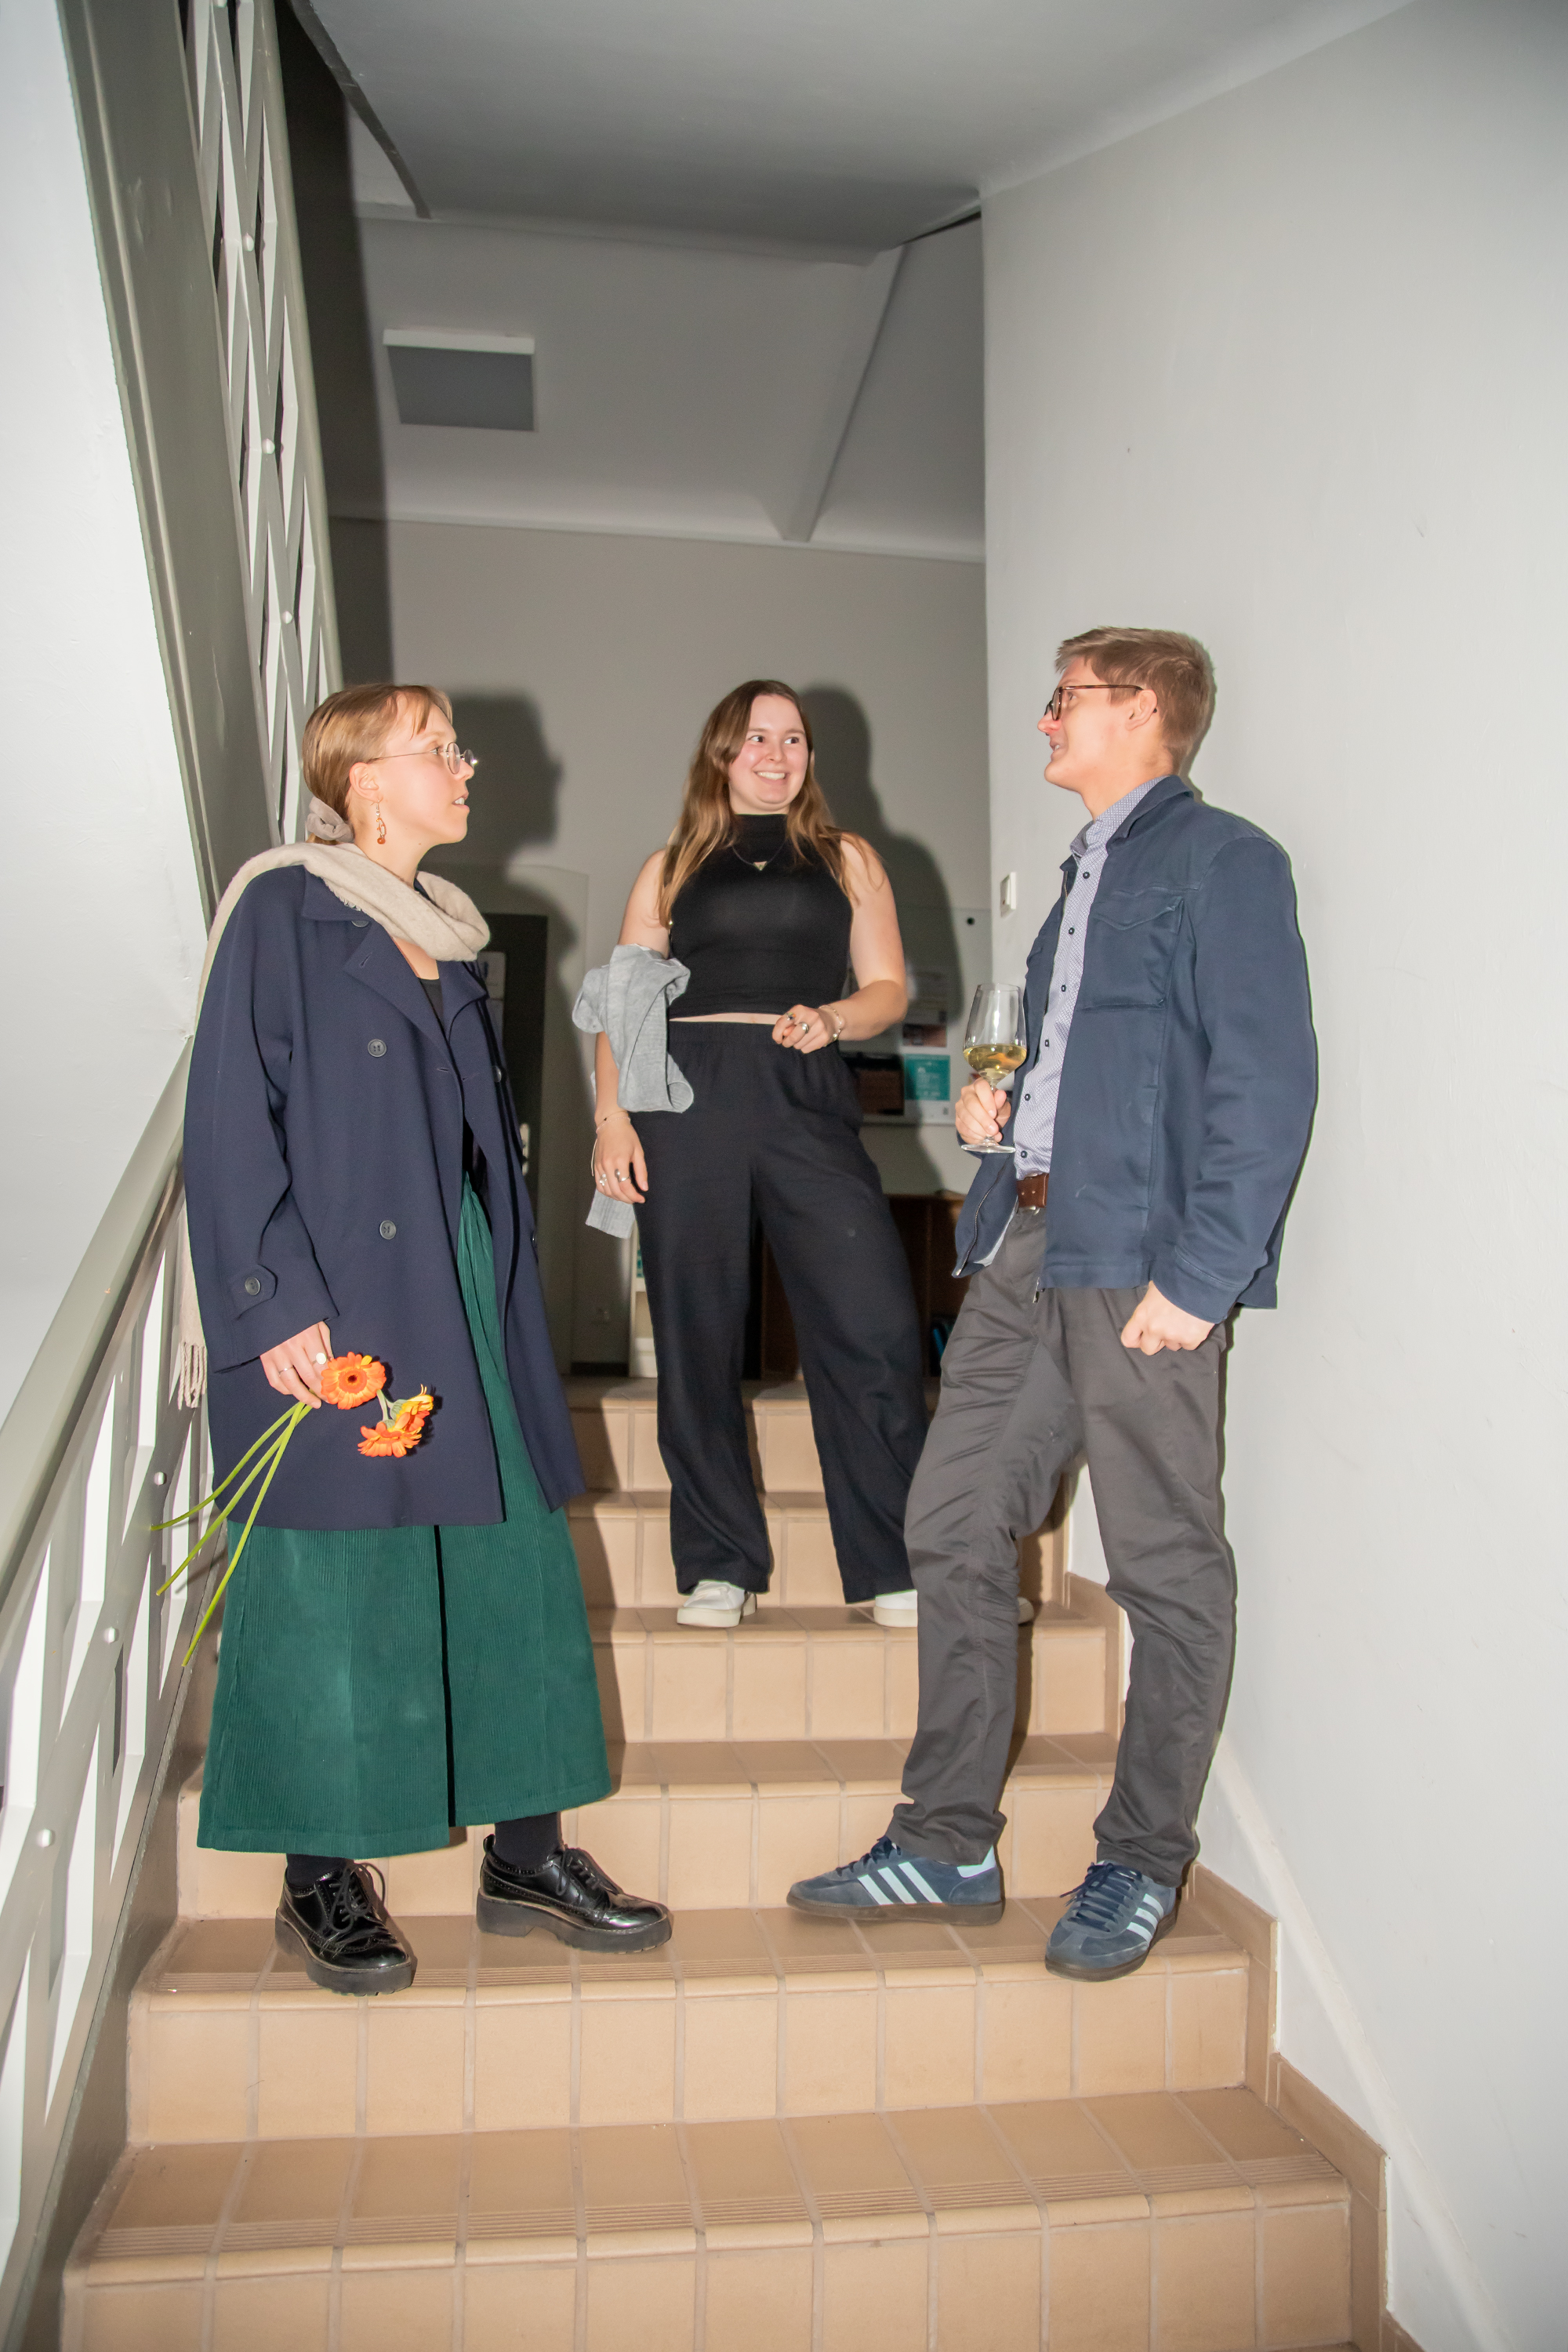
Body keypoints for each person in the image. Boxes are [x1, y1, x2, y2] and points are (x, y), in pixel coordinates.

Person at [789, 628, 1316, 1979]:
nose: (1043, 720)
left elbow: (1265, 1081)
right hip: (1024, 1242)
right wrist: (998, 1108)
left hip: (1140, 1262)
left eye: (1065, 700)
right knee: (950, 1519)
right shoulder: (1081, 876)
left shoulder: (1225, 862)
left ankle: (1140, 1857)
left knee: (1164, 1567)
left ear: (1140, 711)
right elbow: (1077, 1071)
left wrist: (1201, 1278)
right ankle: (947, 1842)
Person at [184, 681, 669, 1994]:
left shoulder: (441, 933)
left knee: (511, 1557)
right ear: (362, 782)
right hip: (336, 1293)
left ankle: (528, 1851)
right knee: (335, 1579)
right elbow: (227, 1113)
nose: (467, 766)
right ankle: (320, 1875)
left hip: (461, 1284)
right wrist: (268, 1300)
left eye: (458, 747)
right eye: (438, 749)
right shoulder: (283, 908)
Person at [591, 679, 931, 1627]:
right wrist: (610, 1118)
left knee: (872, 1323)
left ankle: (894, 1564)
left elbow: (887, 987)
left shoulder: (847, 858)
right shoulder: (670, 866)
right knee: (694, 1333)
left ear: (809, 756)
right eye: (754, 738)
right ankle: (719, 1565)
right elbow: (626, 1001)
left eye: (791, 739)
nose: (775, 755)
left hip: (802, 1088)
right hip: (684, 1094)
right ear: (720, 752)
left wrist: (834, 1017)